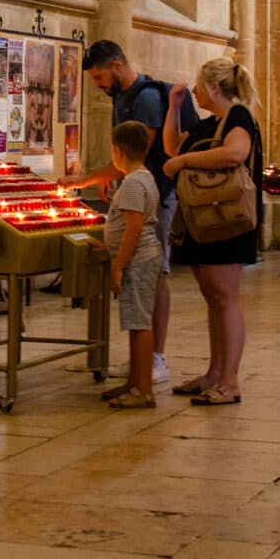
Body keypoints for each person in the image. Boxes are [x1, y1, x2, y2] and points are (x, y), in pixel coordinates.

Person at [61, 39, 197, 384]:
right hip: (135, 191)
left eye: (99, 76)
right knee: (141, 279)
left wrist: (85, 179)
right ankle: (139, 360)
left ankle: (156, 359)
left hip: (157, 197)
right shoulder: (120, 97)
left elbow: (138, 154)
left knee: (156, 274)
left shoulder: (148, 99)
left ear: (117, 65)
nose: (98, 84)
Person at [162, 57, 262, 405]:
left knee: (226, 299)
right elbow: (172, 148)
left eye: (198, 85)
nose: (193, 90)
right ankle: (214, 373)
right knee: (213, 300)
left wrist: (186, 162)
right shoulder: (210, 124)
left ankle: (230, 381)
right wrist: (175, 109)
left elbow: (236, 152)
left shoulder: (238, 116)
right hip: (203, 220)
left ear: (214, 87)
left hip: (226, 221)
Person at [101, 121, 164, 410]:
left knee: (140, 325)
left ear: (117, 151)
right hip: (143, 258)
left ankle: (144, 390)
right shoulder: (145, 177)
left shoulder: (131, 183)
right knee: (136, 323)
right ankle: (135, 381)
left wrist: (118, 265)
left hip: (137, 262)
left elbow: (134, 228)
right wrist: (107, 247)